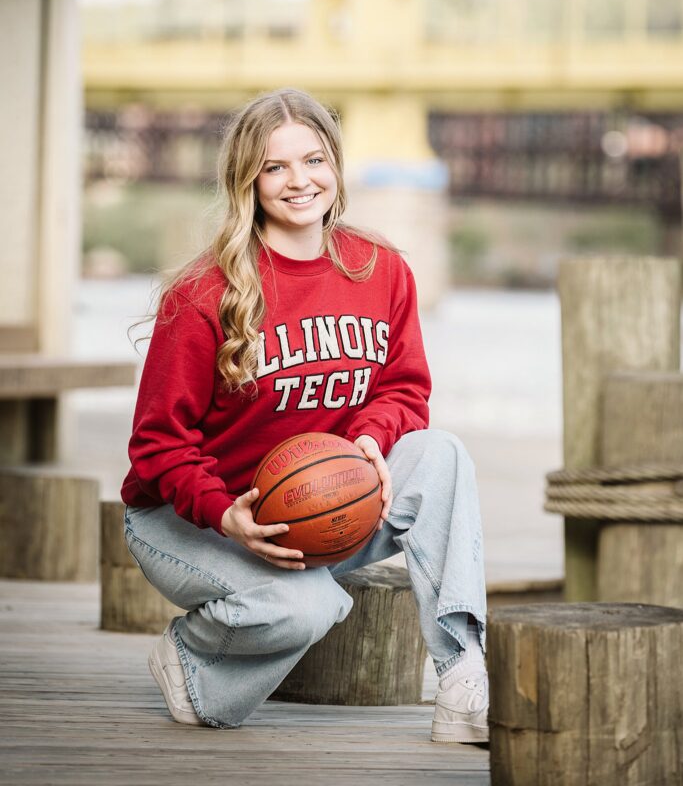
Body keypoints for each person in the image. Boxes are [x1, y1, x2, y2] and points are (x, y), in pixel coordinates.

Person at [121, 87, 488, 742]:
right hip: (190, 519)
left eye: (313, 160)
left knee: (441, 455)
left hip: (314, 504)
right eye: (275, 167)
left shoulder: (379, 270)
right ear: (247, 181)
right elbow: (155, 445)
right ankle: (190, 655)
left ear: (336, 168)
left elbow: (404, 390)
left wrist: (371, 445)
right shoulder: (205, 293)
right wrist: (222, 512)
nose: (299, 181)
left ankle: (463, 678)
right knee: (307, 611)